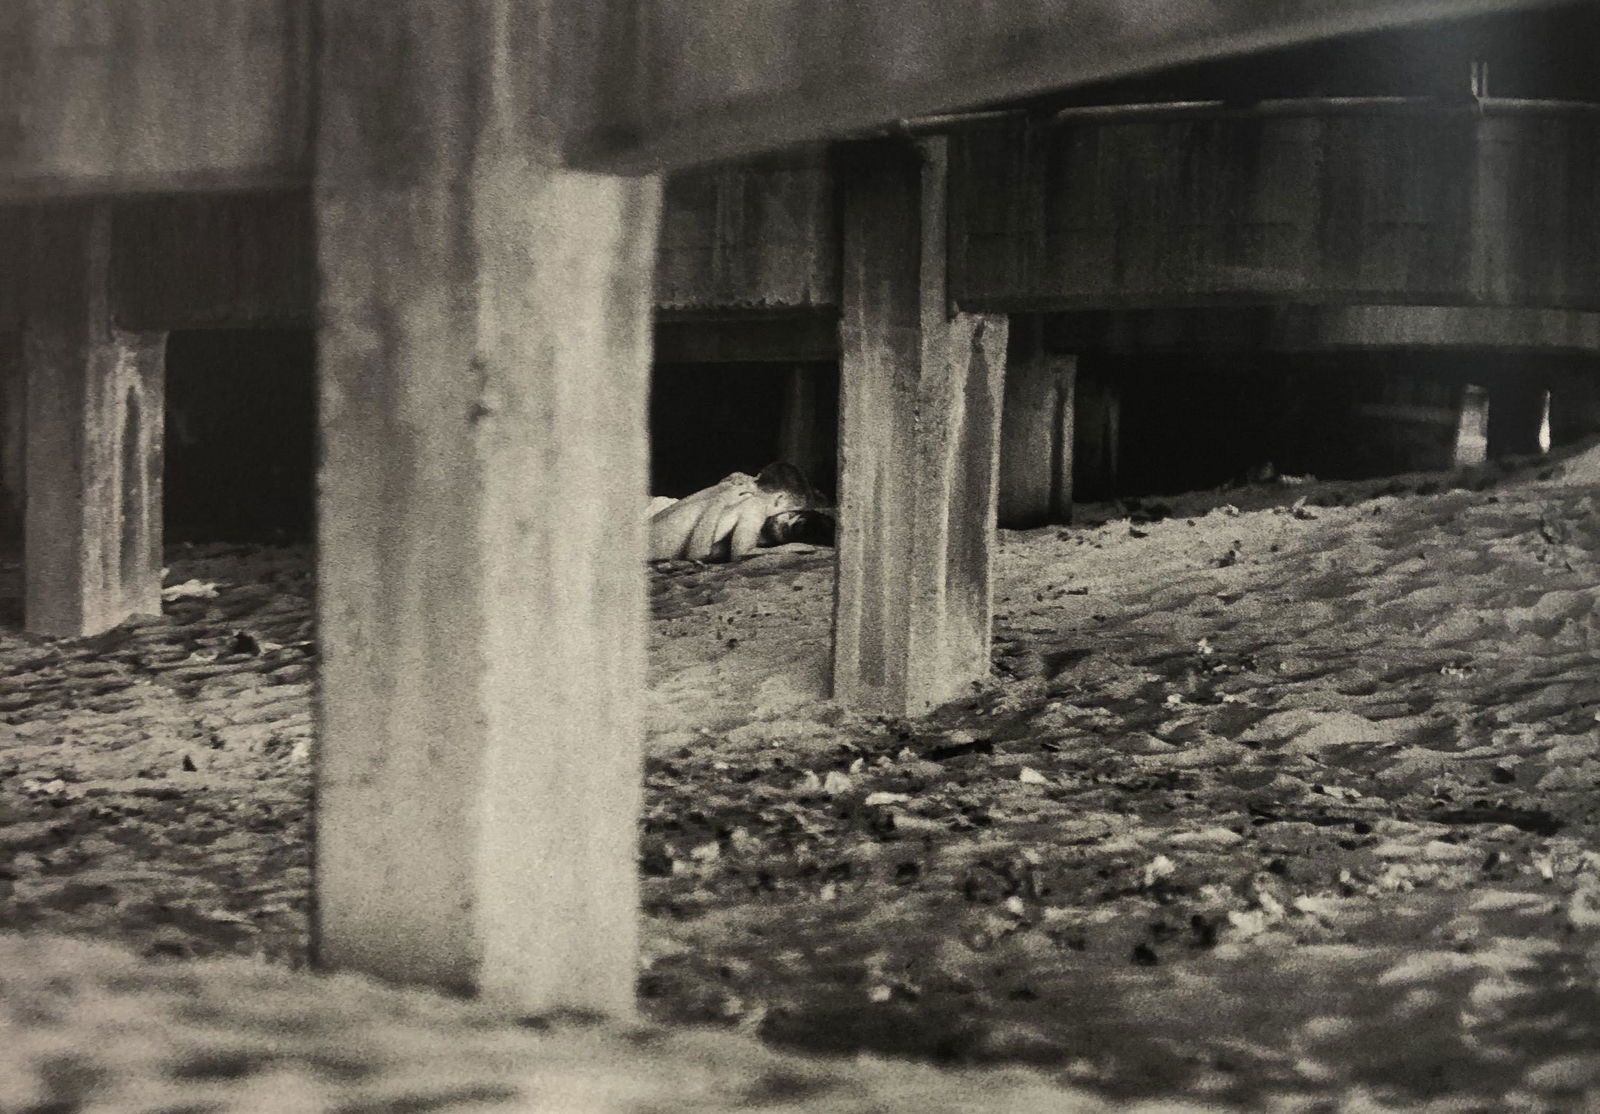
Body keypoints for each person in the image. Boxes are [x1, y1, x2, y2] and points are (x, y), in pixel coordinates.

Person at [648, 462, 832, 562]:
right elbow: (741, 554)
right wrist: (796, 549)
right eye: (790, 511)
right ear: (780, 499)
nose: (782, 517)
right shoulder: (754, 505)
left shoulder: (737, 489)